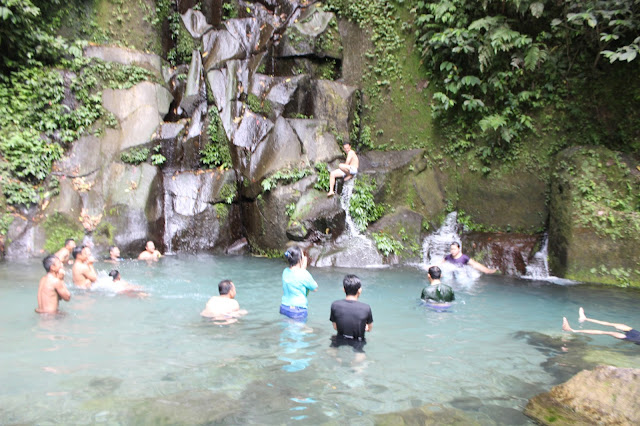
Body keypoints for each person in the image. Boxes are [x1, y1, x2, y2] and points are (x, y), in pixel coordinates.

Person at [330, 274, 373, 352]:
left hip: (341, 337)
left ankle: (336, 359)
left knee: (333, 342)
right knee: (360, 351)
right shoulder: (366, 308)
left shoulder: (335, 305)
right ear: (359, 290)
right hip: (358, 340)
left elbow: (335, 327)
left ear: (344, 289)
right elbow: (369, 329)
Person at [562, 307, 640, 345]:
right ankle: (585, 318)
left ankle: (572, 330)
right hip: (637, 334)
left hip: (636, 339)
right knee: (614, 325)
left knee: (607, 332)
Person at [280, 245, 318, 321]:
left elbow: (296, 276)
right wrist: (303, 268)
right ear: (300, 259)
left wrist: (302, 268)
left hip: (284, 307)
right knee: (299, 332)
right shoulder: (304, 274)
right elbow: (315, 288)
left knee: (287, 330)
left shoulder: (285, 272)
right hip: (297, 310)